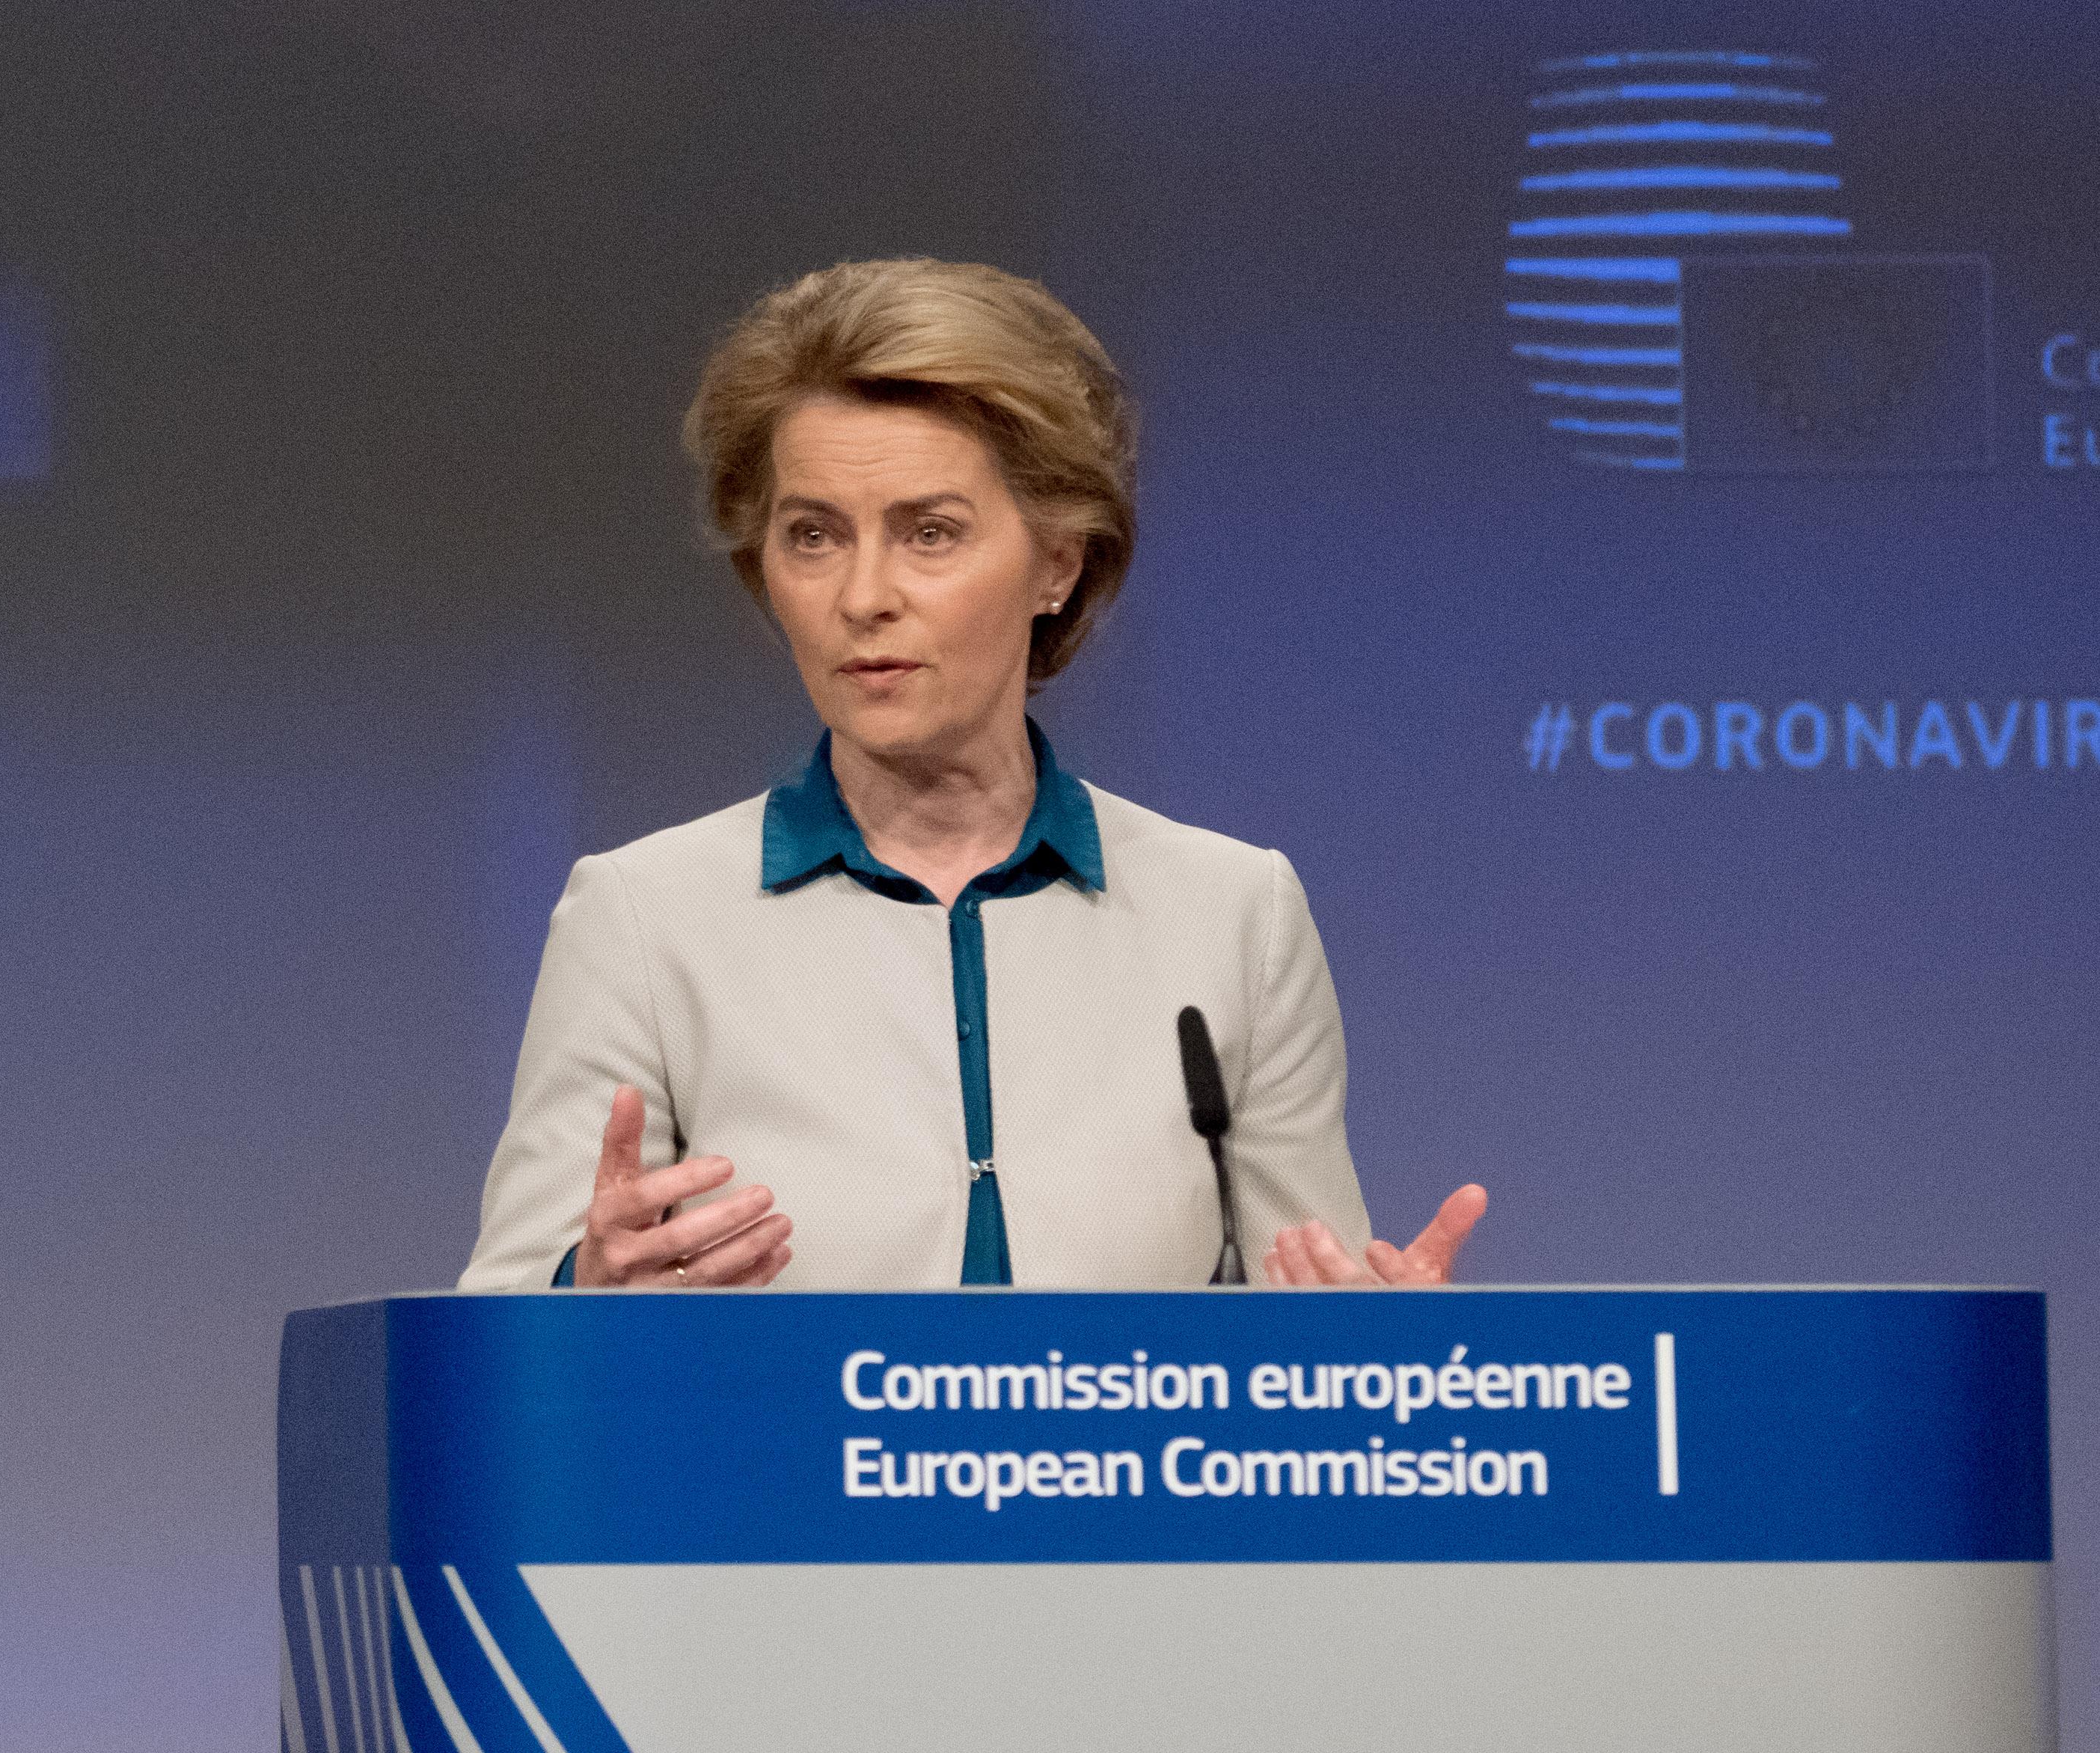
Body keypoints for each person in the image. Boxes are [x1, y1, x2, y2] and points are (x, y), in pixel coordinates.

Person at [462, 258, 1483, 1292]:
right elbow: (490, 1345)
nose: (863, 595)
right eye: (812, 536)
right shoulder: (643, 919)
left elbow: (1303, 1331)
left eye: (930, 534)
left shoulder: (1233, 917)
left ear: (1059, 562)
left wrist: (1377, 1357)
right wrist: (581, 1300)